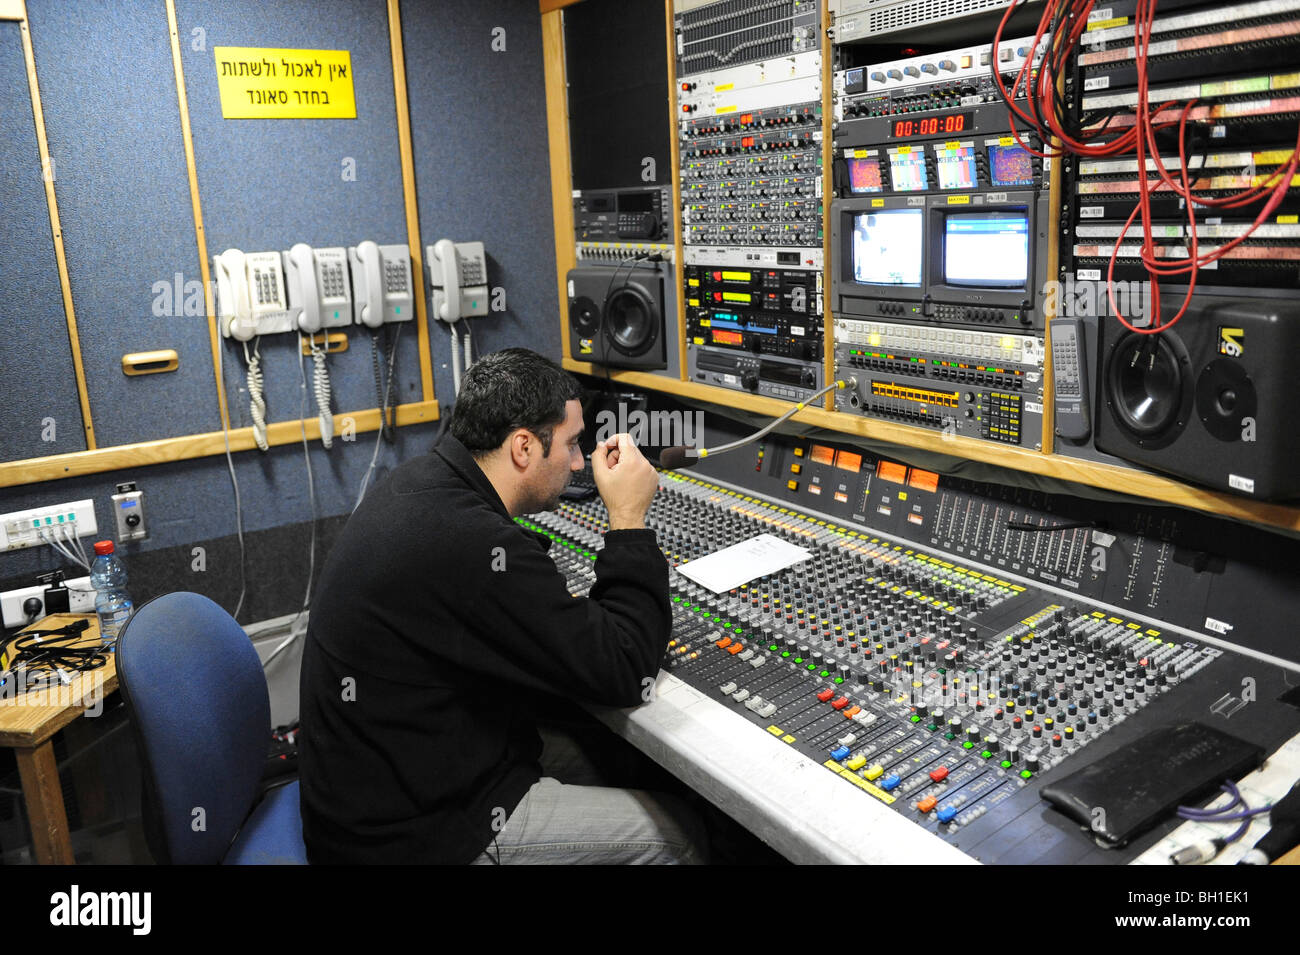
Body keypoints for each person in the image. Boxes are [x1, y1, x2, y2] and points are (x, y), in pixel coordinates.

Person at [299, 347, 704, 864]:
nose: (579, 463)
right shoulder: (470, 542)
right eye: (572, 445)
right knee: (681, 835)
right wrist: (627, 519)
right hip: (412, 838)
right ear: (522, 448)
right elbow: (622, 667)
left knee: (607, 752)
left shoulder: (423, 484)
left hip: (395, 783)